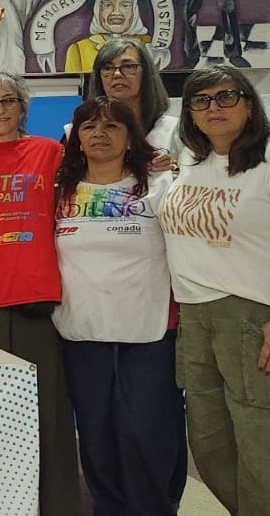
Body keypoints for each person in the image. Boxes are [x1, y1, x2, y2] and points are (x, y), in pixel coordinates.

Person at [160, 65, 270, 515]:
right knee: (211, 447)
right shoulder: (191, 162)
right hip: (196, 320)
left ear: (249, 104)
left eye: (226, 96)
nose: (214, 107)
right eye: (201, 100)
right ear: (190, 113)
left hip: (260, 320)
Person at [0, 71, 78, 515]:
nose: (0, 109)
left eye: (8, 100)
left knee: (47, 412)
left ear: (23, 106)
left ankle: (56, 505)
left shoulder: (51, 152)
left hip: (37, 295)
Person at [52, 98, 184, 515]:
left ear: (131, 138)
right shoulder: (59, 192)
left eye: (112, 126)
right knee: (96, 439)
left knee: (147, 437)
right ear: (77, 138)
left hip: (147, 334)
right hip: (81, 334)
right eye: (89, 127)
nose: (99, 134)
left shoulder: (160, 186)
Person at [85, 37, 180, 158]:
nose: (117, 74)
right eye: (108, 68)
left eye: (128, 66)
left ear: (146, 73)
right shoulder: (80, 132)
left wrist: (177, 168)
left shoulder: (175, 130)